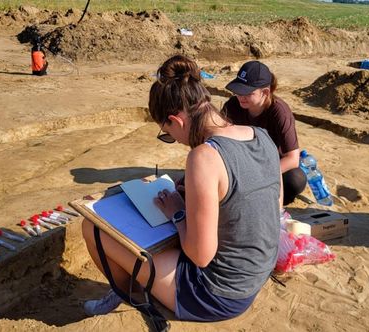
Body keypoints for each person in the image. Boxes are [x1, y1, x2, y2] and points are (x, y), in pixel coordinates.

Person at [81, 55, 282, 322]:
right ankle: (140, 285)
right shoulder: (262, 136)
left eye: (168, 135)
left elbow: (200, 255)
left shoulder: (204, 157)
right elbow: (273, 207)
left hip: (216, 295)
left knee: (92, 227)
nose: (174, 140)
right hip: (253, 278)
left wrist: (178, 211)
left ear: (177, 121)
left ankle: (133, 294)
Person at [222, 61, 305, 206]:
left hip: (270, 165)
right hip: (242, 163)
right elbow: (218, 138)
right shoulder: (232, 105)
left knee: (295, 180)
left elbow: (292, 158)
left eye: (247, 93)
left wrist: (260, 174)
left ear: (265, 93)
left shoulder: (280, 112)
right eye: (238, 90)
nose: (241, 96)